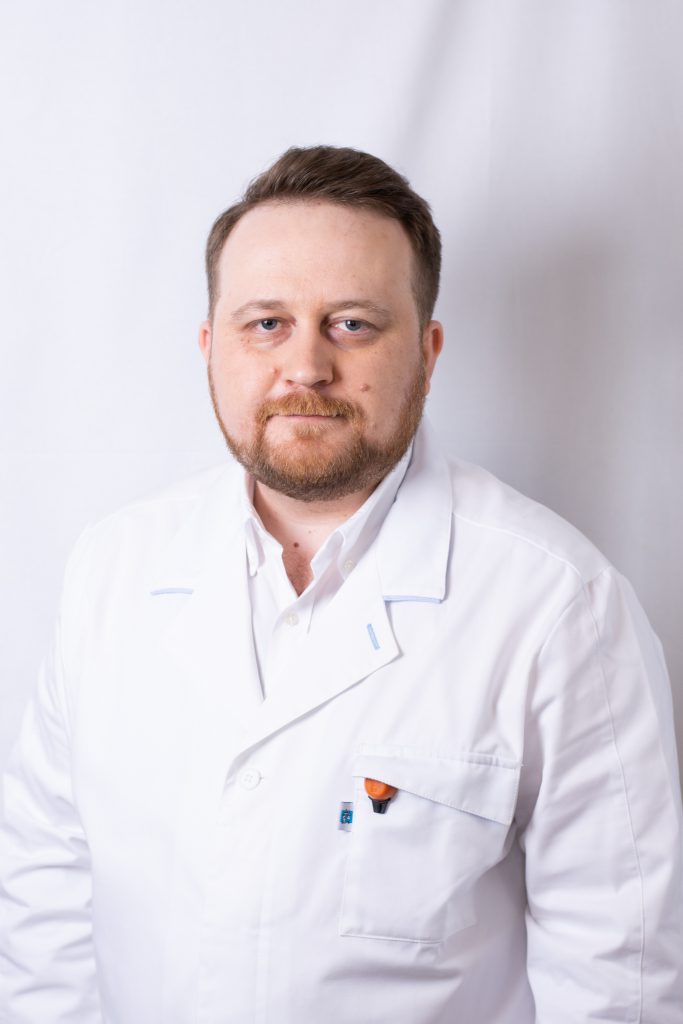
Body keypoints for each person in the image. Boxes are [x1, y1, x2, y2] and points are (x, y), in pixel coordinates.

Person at [1, 145, 681, 1024]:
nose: (306, 366)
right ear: (209, 348)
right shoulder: (111, 571)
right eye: (265, 324)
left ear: (427, 352)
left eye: (353, 323)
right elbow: (46, 917)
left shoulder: (556, 606)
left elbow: (618, 983)